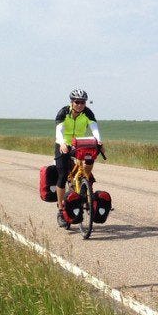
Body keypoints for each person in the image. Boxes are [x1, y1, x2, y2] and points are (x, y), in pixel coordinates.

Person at [54, 88, 102, 222]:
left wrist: (98, 141)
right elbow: (59, 130)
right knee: (63, 175)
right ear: (71, 102)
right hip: (63, 144)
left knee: (90, 159)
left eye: (83, 102)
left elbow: (94, 128)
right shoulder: (64, 112)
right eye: (77, 102)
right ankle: (61, 209)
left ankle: (83, 182)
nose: (80, 105)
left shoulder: (87, 113)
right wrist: (63, 143)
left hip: (79, 144)